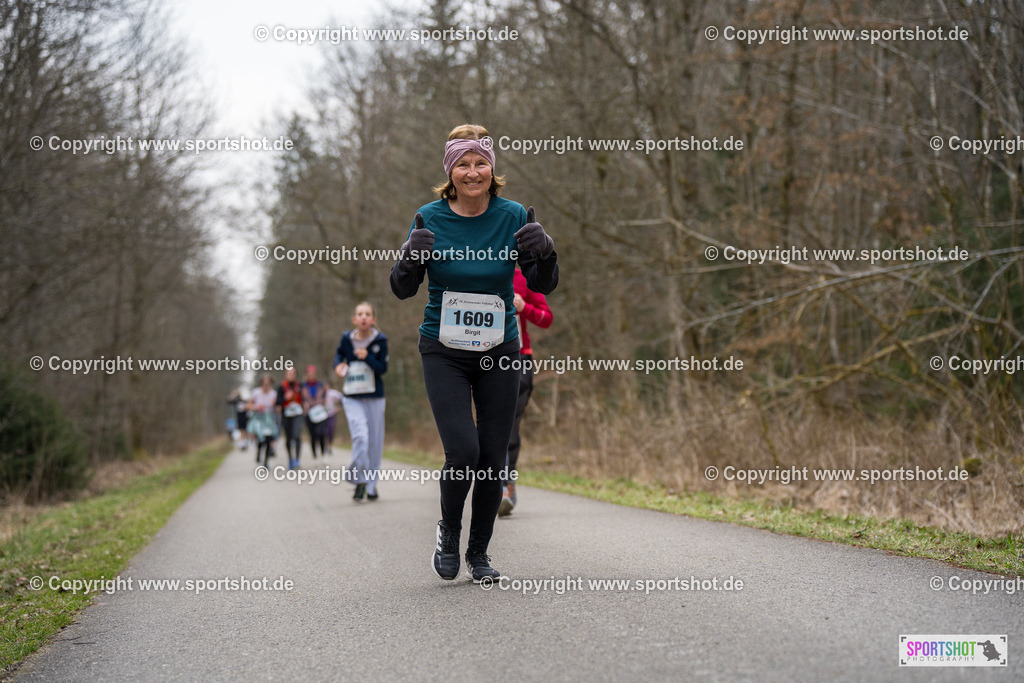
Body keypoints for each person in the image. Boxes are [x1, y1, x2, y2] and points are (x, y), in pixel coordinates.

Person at [390, 123, 558, 583]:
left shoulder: (513, 215)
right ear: (450, 171)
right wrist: (409, 258)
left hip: (500, 349)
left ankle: (478, 553)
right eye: (463, 164)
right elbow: (403, 289)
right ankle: (448, 531)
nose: (472, 171)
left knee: (493, 456)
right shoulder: (429, 217)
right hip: (443, 350)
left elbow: (542, 286)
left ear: (492, 169)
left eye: (481, 162)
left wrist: (546, 253)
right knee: (463, 450)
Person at [499, 267, 553, 516]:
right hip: (484, 359)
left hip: (520, 358)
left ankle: (506, 486)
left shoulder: (525, 279)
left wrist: (524, 308)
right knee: (491, 425)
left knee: (510, 425)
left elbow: (546, 318)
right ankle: (493, 483)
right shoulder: (480, 270)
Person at [334, 301, 388, 502]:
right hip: (352, 397)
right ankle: (358, 479)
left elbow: (383, 368)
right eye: (360, 314)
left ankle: (371, 485)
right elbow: (339, 354)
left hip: (375, 397)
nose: (364, 317)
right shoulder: (346, 339)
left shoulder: (380, 340)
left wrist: (367, 357)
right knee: (361, 438)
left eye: (368, 314)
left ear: (373, 319)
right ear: (354, 319)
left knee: (374, 442)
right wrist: (338, 365)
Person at [248, 374, 279, 468]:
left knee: (269, 440)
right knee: (261, 440)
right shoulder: (255, 393)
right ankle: (258, 451)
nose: (266, 386)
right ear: (261, 384)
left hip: (269, 418)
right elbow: (248, 404)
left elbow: (277, 408)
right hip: (259, 418)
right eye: (264, 384)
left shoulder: (274, 394)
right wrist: (255, 407)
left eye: (268, 384)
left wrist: (276, 406)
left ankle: (266, 462)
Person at [277, 366, 304, 469]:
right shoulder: (281, 387)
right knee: (289, 438)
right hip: (286, 415)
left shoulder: (299, 386)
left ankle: (297, 460)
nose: (291, 375)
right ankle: (290, 458)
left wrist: (304, 403)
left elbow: (303, 398)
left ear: (295, 375)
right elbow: (278, 402)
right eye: (289, 373)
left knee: (297, 436)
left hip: (297, 414)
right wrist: (285, 398)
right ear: (286, 375)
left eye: (293, 373)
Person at [302, 365, 329, 460]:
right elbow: (300, 399)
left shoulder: (321, 385)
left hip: (320, 411)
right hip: (309, 412)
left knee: (321, 432)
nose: (311, 376)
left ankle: (322, 452)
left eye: (312, 374)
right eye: (309, 374)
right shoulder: (303, 386)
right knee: (313, 434)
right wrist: (303, 404)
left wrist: (325, 401)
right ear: (307, 375)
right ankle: (314, 455)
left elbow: (326, 396)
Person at [323, 381, 344, 456]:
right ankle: (326, 446)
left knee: (331, 431)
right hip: (322, 416)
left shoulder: (332, 393)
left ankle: (330, 446)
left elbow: (342, 397)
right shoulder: (320, 394)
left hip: (331, 414)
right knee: (324, 432)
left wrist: (339, 407)